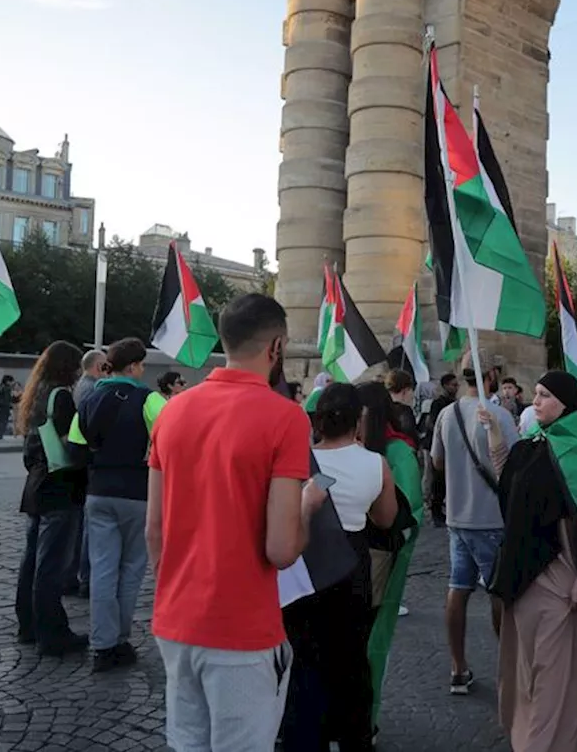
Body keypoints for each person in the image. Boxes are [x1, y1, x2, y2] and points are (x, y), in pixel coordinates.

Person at [146, 293, 326, 752]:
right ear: (277, 347)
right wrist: (306, 511)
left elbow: (155, 529)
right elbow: (282, 549)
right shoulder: (286, 418)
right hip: (241, 627)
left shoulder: (172, 412)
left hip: (177, 619)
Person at [489, 371, 577, 752]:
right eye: (534, 394)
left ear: (566, 403)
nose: (535, 401)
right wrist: (494, 437)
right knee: (525, 679)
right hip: (523, 584)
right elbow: (509, 489)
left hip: (560, 589)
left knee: (556, 687)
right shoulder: (532, 446)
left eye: (544, 395)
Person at [281, 384, 397, 752]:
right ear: (357, 421)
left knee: (304, 656)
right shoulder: (374, 463)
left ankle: (303, 738)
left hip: (305, 561)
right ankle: (353, 737)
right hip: (351, 564)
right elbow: (385, 517)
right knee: (350, 656)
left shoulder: (297, 460)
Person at [68, 337, 167, 673]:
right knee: (131, 569)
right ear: (135, 366)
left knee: (103, 569)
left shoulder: (91, 397)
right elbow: (171, 438)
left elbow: (76, 445)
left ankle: (102, 644)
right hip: (138, 494)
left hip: (98, 493)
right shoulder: (148, 398)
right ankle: (120, 640)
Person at [430, 365, 517, 694]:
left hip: (457, 515)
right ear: (491, 376)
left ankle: (458, 667)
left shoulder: (447, 414)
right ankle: (508, 668)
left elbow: (437, 463)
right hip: (491, 517)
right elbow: (511, 464)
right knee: (499, 592)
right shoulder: (499, 415)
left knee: (458, 588)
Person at [14, 341, 89, 658]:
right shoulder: (61, 397)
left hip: (37, 485)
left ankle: (28, 625)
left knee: (32, 561)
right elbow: (70, 443)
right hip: (60, 486)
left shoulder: (36, 395)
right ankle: (52, 633)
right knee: (51, 565)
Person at [359, 381, 425, 726]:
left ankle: (365, 719)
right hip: (347, 560)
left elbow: (411, 511)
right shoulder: (347, 447)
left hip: (381, 558)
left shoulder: (399, 453)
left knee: (372, 640)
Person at [68, 348, 108, 597]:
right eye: (105, 365)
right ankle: (84, 577)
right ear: (96, 366)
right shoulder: (92, 389)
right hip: (87, 463)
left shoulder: (81, 385)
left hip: (80, 461)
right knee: (86, 527)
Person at [422, 372, 459, 526]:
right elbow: (433, 423)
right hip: (435, 445)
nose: (456, 388)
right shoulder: (438, 403)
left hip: (449, 445)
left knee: (444, 480)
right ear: (445, 386)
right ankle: (434, 510)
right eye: (453, 385)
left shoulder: (455, 403)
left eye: (457, 385)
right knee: (435, 479)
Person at [0, 374, 14, 440]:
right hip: (4, 407)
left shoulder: (1, 387)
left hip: (3, 407)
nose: (12, 383)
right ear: (7, 381)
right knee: (3, 422)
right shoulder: (5, 388)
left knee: (2, 421)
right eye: (11, 381)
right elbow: (5, 399)